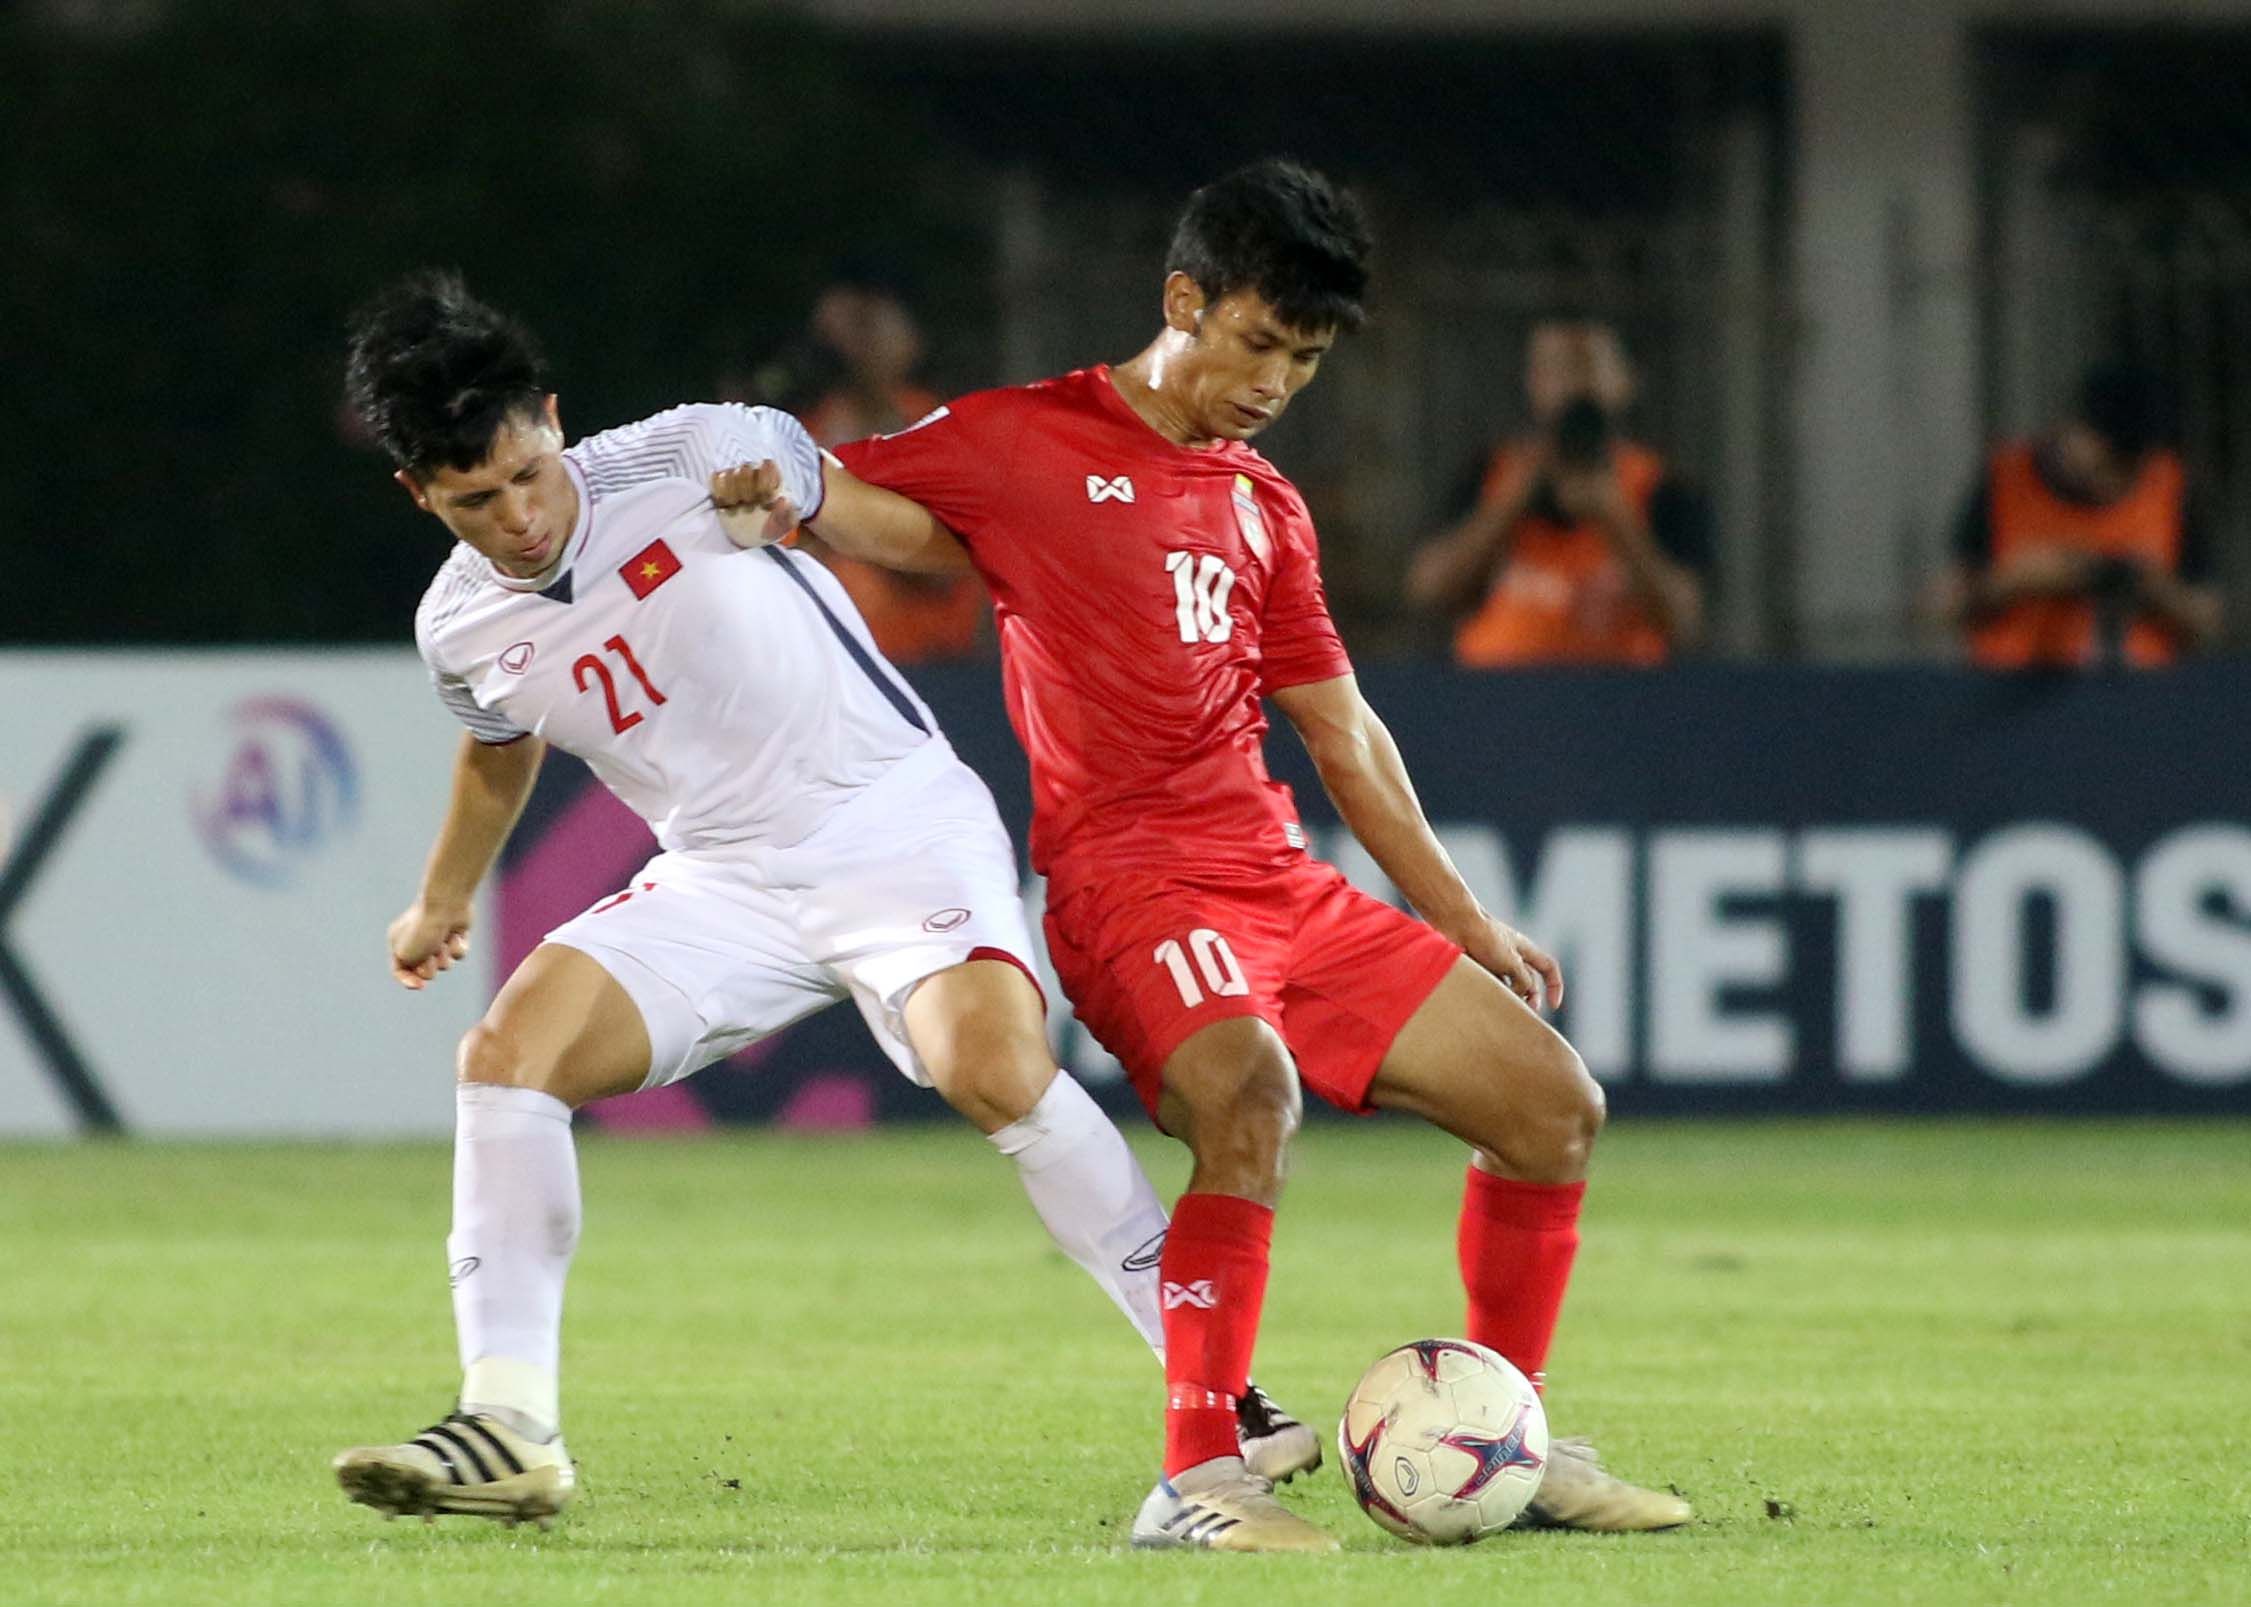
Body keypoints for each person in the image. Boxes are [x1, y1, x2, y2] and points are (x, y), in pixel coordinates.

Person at [795, 161, 1692, 1550]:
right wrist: (744, 486)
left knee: (1550, 1105)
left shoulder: (1263, 504)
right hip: (1126, 883)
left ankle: (1503, 1431)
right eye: (1260, 341)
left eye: (1308, 357)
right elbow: (853, 500)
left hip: (1277, 881)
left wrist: (1464, 921)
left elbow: (1346, 737)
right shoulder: (1024, 435)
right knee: (1246, 1092)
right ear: (1182, 301)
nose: (1277, 378)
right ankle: (1195, 1478)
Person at [328, 271, 1318, 1528]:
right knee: (507, 1056)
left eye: (529, 471)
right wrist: (441, 901)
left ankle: (1224, 1395)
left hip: (889, 822)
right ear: (419, 493)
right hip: (721, 877)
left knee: (992, 1070)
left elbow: (895, 518)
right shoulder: (458, 625)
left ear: (554, 417)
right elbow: (498, 744)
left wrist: (802, 497)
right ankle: (510, 1421)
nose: (520, 515)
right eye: (476, 500)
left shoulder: (700, 448)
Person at [1405, 319, 1712, 664]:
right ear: (1532, 382)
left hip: (1622, 696)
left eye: (1589, 366)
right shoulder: (1495, 474)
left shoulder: (1661, 487)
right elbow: (1428, 590)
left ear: (1625, 380)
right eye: (1557, 369)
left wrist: (1614, 516)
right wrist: (1511, 502)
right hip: (1496, 695)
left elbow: (1683, 620)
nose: (1575, 386)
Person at [1936, 365, 2220, 666]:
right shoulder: (2007, 478)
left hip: (2141, 695)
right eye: (2108, 454)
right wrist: (2011, 582)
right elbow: (1941, 606)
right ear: (2070, 428)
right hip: (2015, 691)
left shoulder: (2170, 486)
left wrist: (2151, 588)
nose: (2118, 474)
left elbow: (2209, 619)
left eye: (2132, 460)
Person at [793, 271, 989, 663]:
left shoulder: (945, 426)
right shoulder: (797, 436)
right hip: (831, 674)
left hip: (941, 668)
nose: (851, 343)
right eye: (837, 329)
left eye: (865, 324)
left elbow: (944, 565)